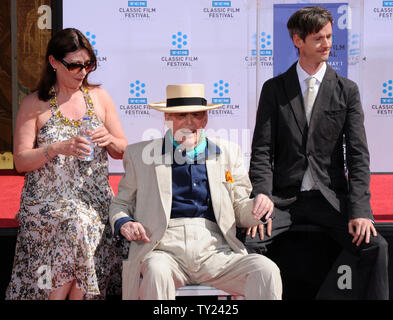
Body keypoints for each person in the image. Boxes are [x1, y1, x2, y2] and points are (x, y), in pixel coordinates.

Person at [242, 6, 389, 300]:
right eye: (318, 38)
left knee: (377, 247)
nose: (327, 44)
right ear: (298, 41)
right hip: (284, 199)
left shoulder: (347, 90)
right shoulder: (274, 89)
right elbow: (261, 151)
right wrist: (261, 194)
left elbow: (358, 155)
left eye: (329, 36)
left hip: (330, 199)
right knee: (250, 244)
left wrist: (361, 210)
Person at [109, 83, 282, 300]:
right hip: (163, 249)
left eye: (197, 115)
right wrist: (124, 222)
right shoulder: (139, 155)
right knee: (156, 272)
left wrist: (259, 208)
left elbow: (241, 209)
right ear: (168, 119)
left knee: (265, 271)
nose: (190, 122)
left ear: (205, 119)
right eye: (182, 115)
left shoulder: (228, 152)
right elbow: (120, 203)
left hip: (217, 251)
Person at [6, 28, 128, 300]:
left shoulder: (99, 98)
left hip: (93, 200)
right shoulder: (35, 104)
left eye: (88, 64)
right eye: (74, 65)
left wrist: (109, 139)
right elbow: (21, 161)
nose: (82, 72)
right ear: (53, 62)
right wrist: (56, 148)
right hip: (46, 203)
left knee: (79, 224)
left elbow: (123, 150)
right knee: (76, 226)